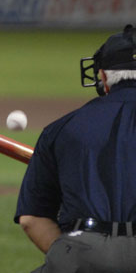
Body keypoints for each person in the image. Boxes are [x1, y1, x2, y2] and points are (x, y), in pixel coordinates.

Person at [15, 24, 136, 272]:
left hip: (83, 251)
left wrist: (74, 258)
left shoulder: (61, 129)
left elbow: (31, 220)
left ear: (102, 77)